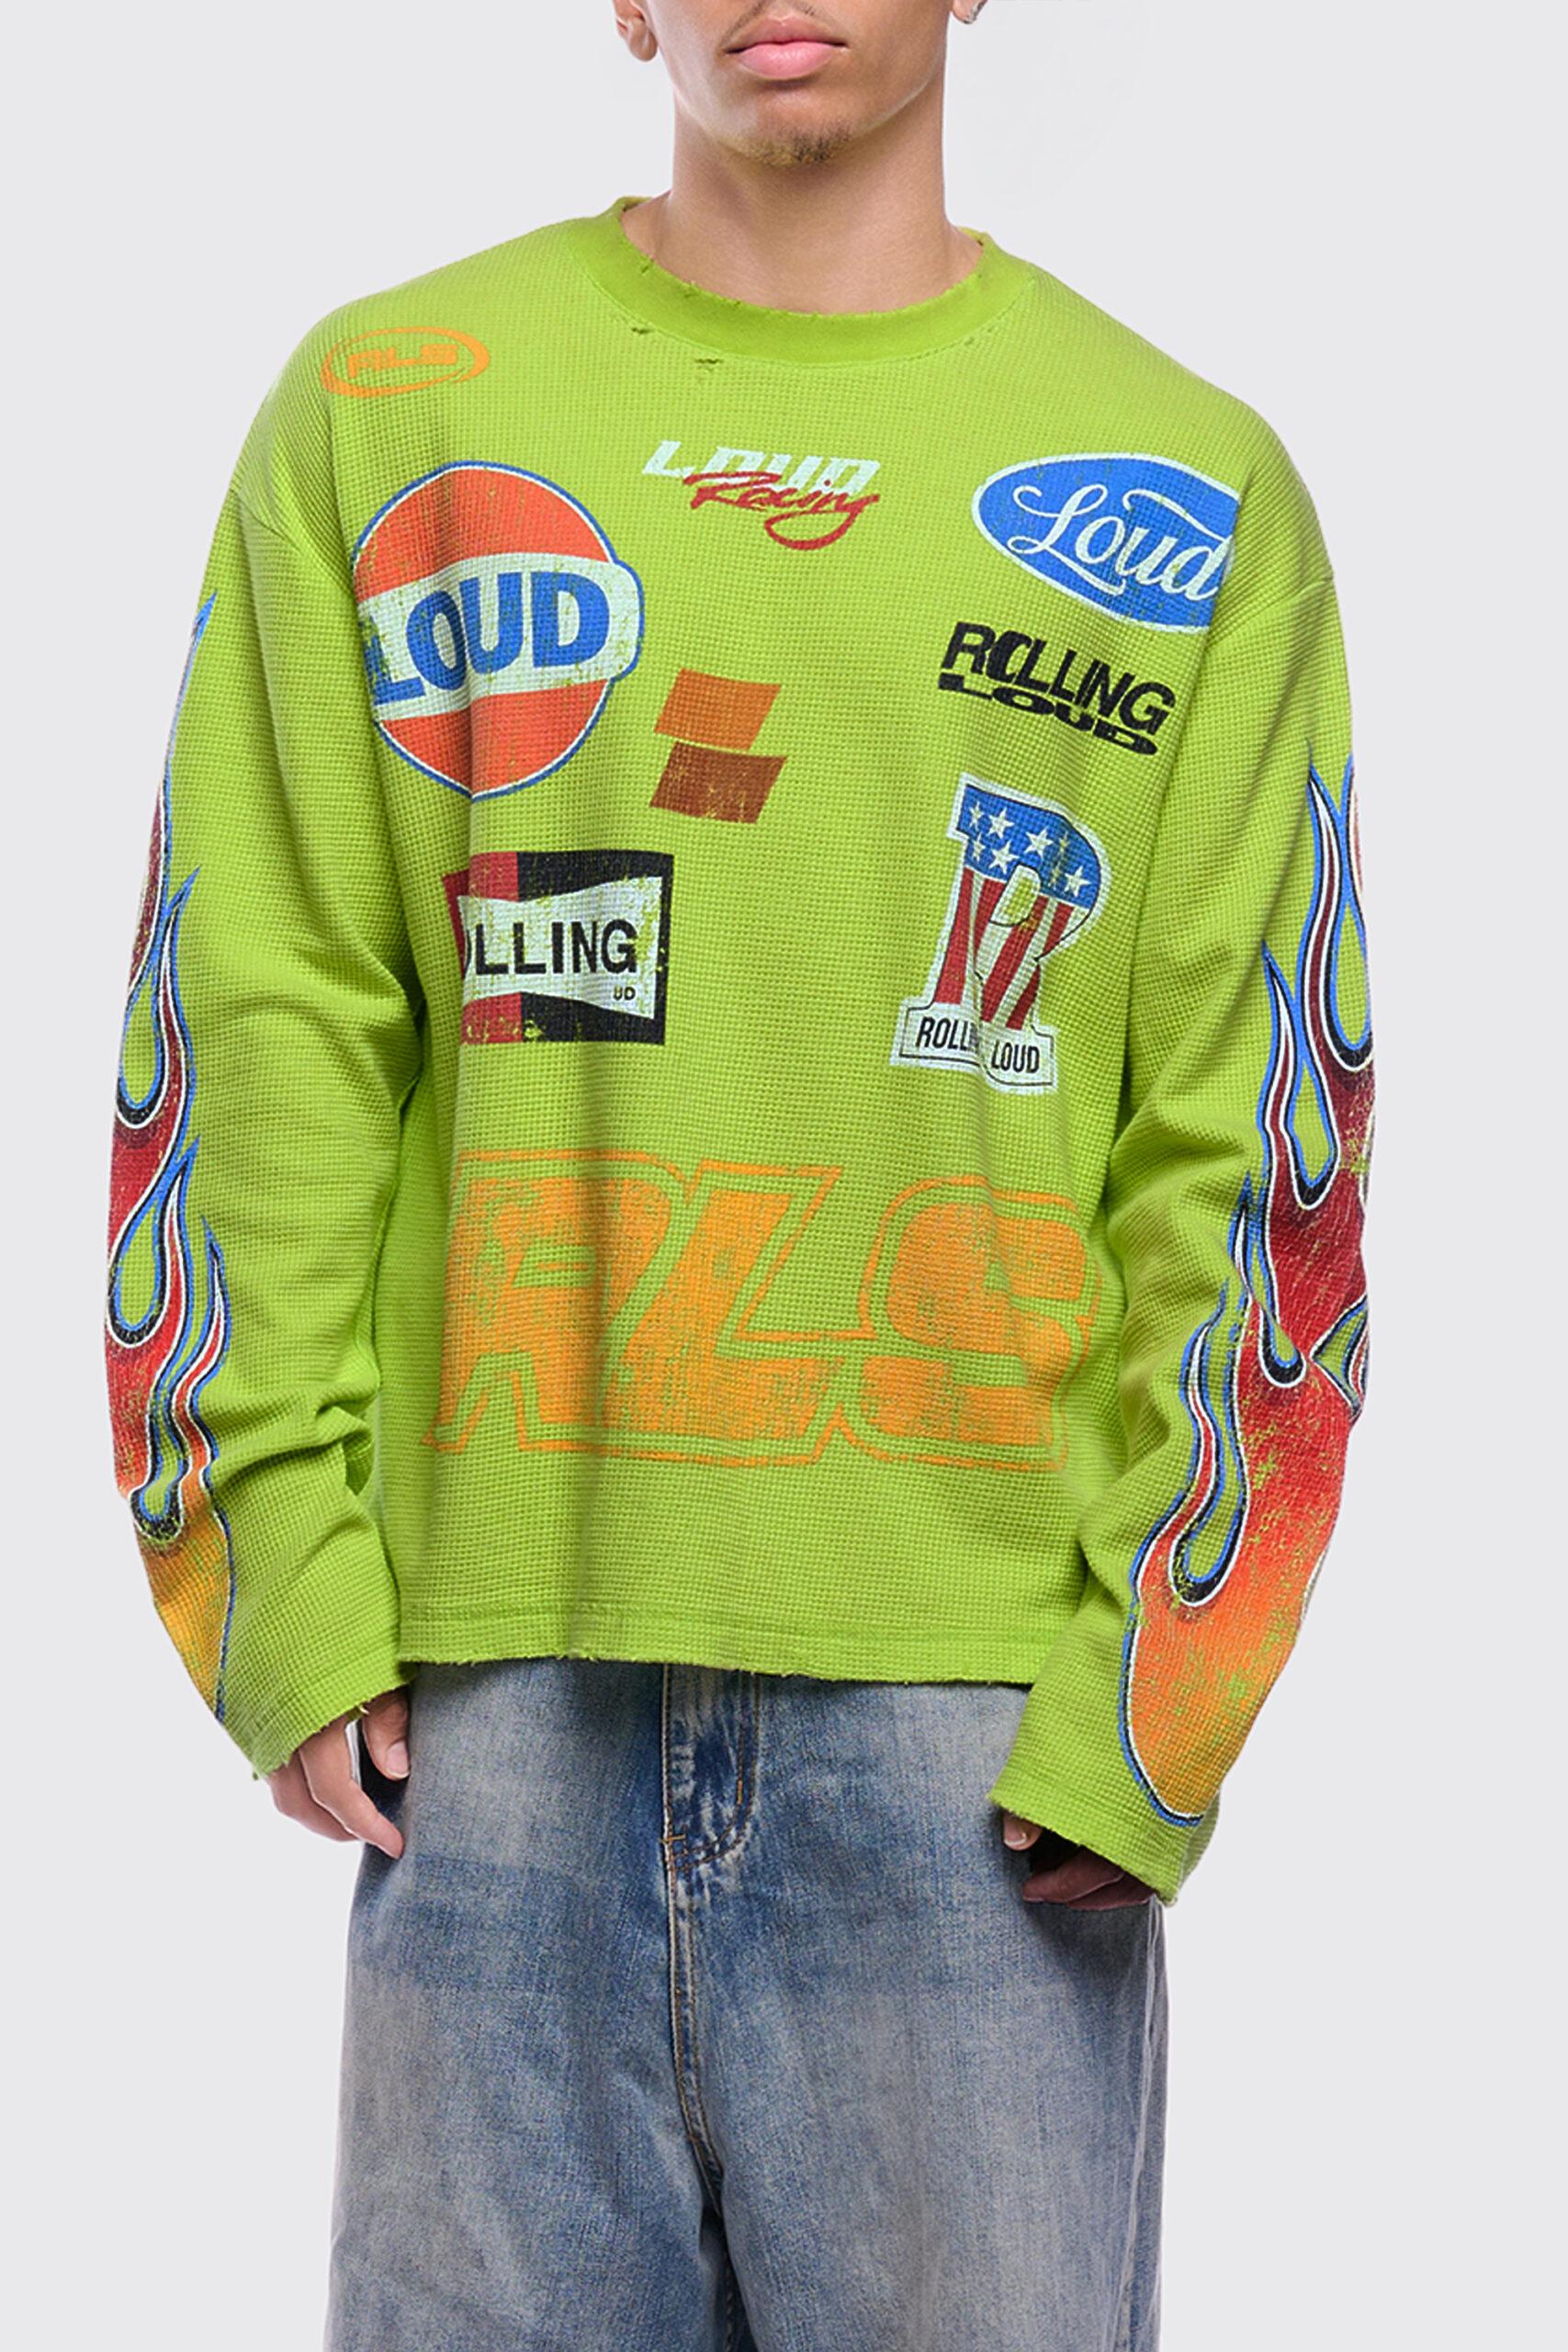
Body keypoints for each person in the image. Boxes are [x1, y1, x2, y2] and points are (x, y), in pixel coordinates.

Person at [103, 3, 1374, 2345]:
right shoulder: (392, 411)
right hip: (486, 1712)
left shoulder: (1186, 487)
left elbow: (1253, 1124)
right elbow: (261, 997)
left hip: (982, 1745)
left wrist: (1162, 1678)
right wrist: (266, 1554)